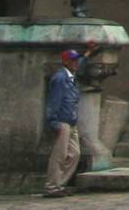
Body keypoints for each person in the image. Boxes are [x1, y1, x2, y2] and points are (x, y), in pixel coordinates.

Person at [42, 42, 98, 197]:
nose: (75, 63)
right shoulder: (60, 78)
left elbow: (80, 64)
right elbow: (54, 101)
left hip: (71, 121)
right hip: (62, 121)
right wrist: (54, 122)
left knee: (74, 154)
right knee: (59, 155)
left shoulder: (70, 75)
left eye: (75, 60)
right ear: (65, 62)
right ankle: (52, 186)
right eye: (72, 60)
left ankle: (59, 183)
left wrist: (88, 53)